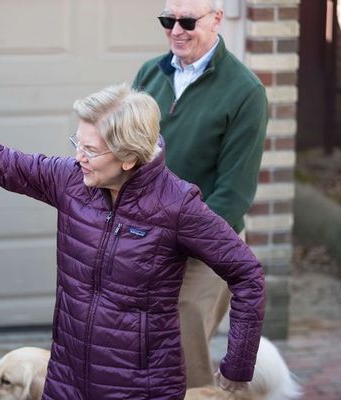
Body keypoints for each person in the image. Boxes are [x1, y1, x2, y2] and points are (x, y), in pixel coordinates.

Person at [0, 43, 264, 399]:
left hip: (140, 388)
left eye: (91, 150)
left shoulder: (176, 206)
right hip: (67, 379)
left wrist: (237, 365)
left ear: (129, 158)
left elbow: (247, 274)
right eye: (76, 144)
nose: (77, 157)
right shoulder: (70, 180)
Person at [132, 0, 268, 389]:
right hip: (145, 236)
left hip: (207, 245)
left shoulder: (245, 92)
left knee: (181, 342)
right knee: (136, 345)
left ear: (217, 19)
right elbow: (127, 151)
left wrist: (178, 240)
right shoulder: (148, 74)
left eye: (187, 21)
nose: (176, 30)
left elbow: (233, 195)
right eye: (167, 20)